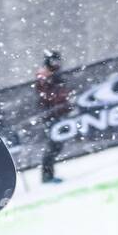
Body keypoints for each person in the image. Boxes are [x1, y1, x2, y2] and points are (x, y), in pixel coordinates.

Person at [34, 51, 70, 184]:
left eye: (58, 61)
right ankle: (47, 176)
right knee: (53, 145)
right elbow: (47, 95)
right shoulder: (45, 76)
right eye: (54, 61)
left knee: (57, 145)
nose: (57, 64)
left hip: (58, 114)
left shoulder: (56, 75)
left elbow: (61, 93)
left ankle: (48, 175)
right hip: (51, 115)